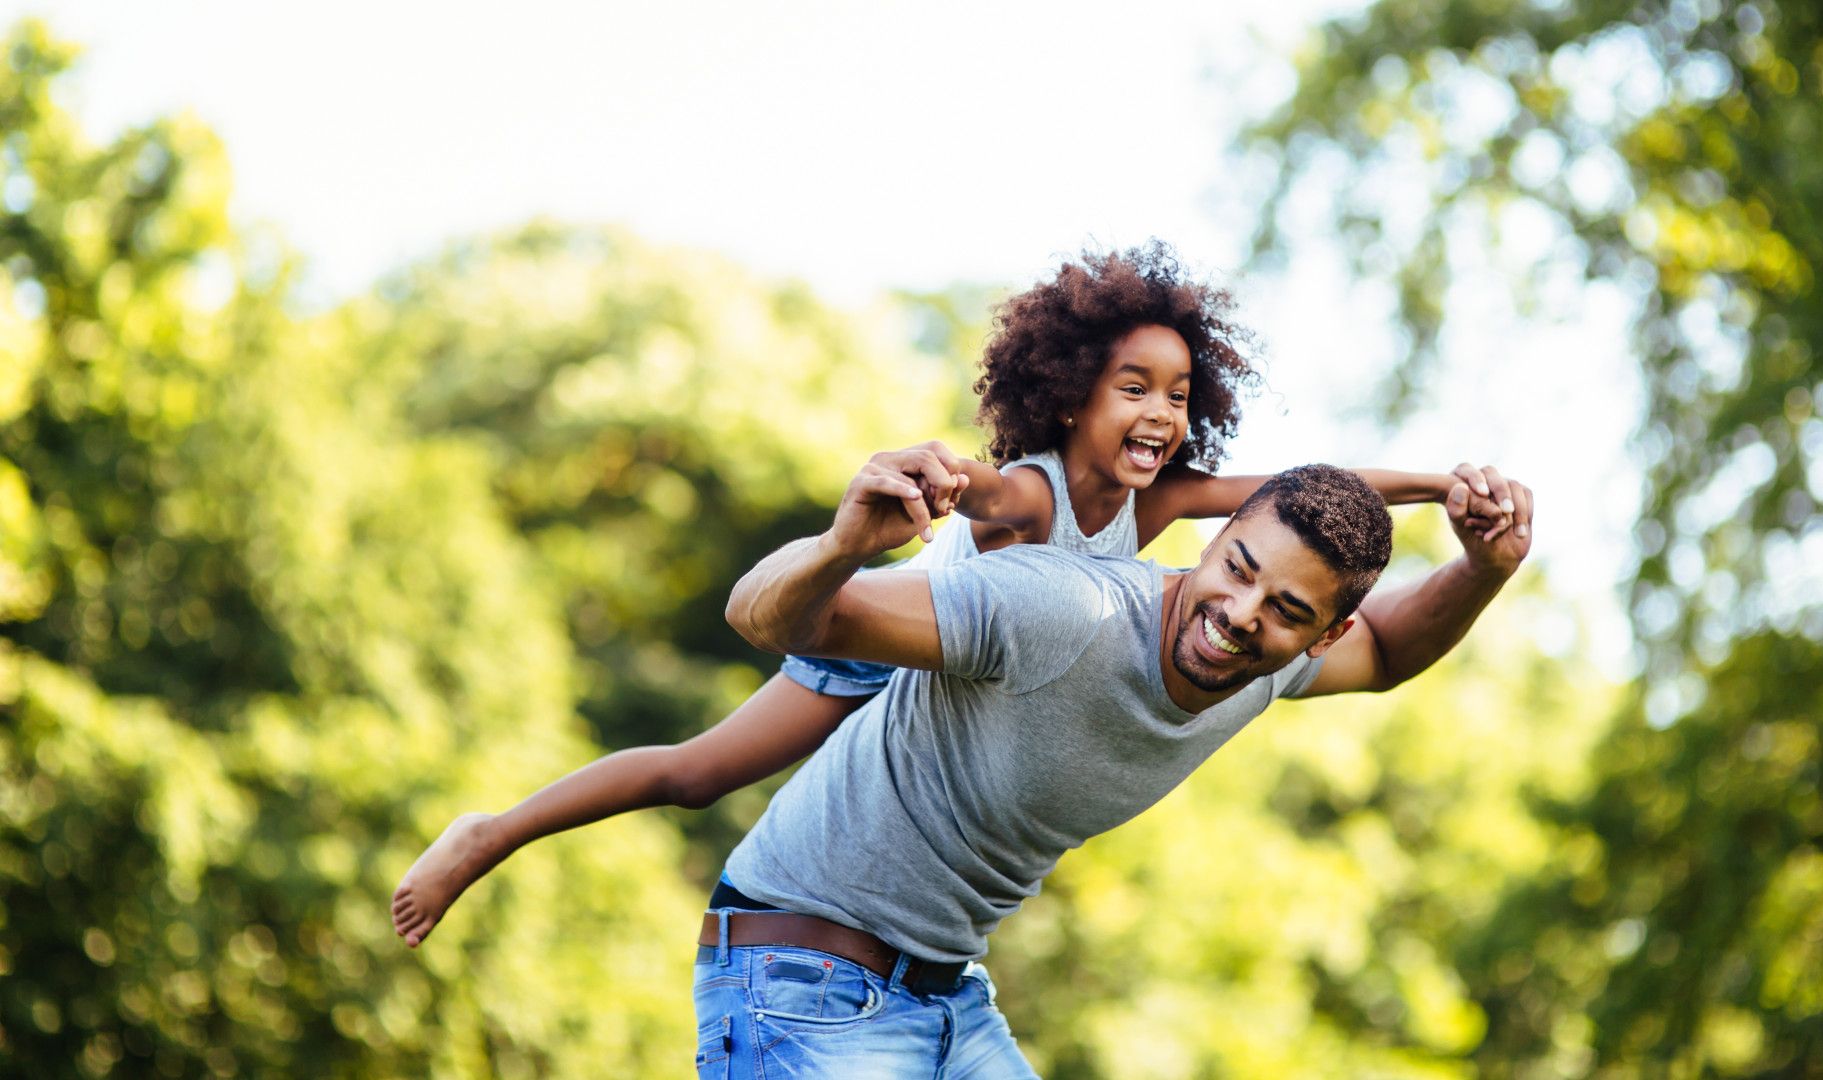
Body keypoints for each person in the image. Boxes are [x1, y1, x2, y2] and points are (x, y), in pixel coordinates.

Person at [390, 244, 1518, 948]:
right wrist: (926, 481)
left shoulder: (1171, 504)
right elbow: (968, 487)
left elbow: (1307, 488)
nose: (1160, 415)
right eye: (1133, 387)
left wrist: (1439, 488)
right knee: (697, 775)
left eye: (1179, 395)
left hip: (968, 684)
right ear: (1070, 394)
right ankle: (494, 831)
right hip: (884, 641)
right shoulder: (1029, 492)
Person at [697, 452, 1532, 1077]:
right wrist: (841, 546)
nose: (1240, 615)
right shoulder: (1062, 609)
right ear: (1215, 541)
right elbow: (771, 619)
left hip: (944, 995)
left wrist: (1484, 569)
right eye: (1237, 570)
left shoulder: (1270, 670)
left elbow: (1387, 651)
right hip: (799, 978)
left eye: (1285, 610)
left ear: (1324, 636)